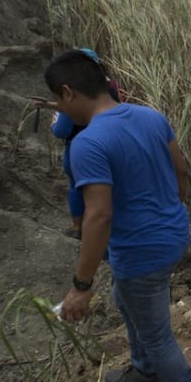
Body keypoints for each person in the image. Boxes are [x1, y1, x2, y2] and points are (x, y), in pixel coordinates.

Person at [47, 49, 191, 382]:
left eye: (56, 99)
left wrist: (80, 286)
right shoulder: (150, 115)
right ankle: (144, 373)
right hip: (171, 232)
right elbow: (180, 168)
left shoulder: (88, 143)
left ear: (67, 93)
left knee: (155, 331)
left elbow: (99, 215)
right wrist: (167, 212)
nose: (58, 108)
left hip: (141, 249)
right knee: (125, 298)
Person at [38, 48, 123, 240]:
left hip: (77, 149)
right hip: (112, 145)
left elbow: (61, 130)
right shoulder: (111, 89)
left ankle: (78, 227)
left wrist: (53, 123)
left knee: (78, 189)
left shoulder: (74, 98)